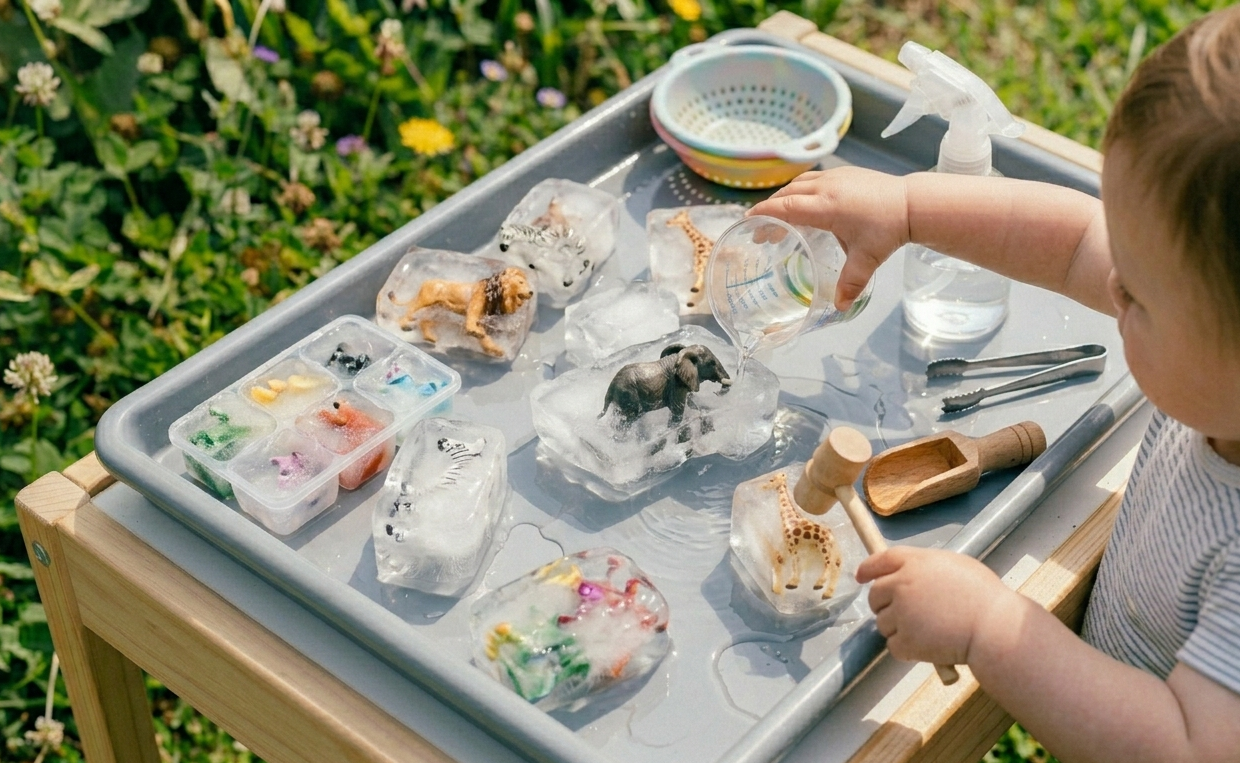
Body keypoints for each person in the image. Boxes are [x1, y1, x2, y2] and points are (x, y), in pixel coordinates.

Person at [748, 7, 1240, 762]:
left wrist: (989, 627)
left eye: (1134, 295)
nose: (1108, 285)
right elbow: (1075, 237)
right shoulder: (1217, 380)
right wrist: (910, 208)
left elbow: (1185, 746)